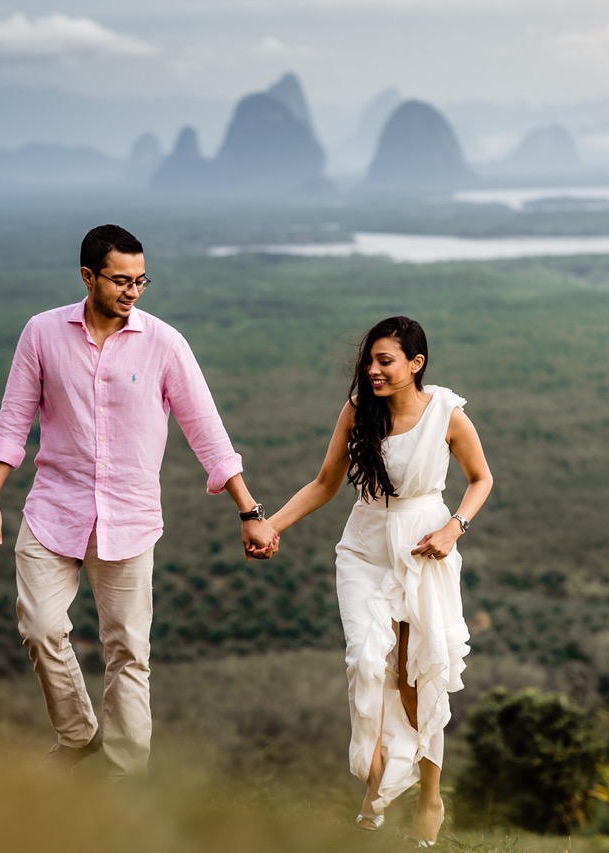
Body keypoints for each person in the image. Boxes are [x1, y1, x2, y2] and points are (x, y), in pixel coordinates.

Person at [0, 224, 278, 780]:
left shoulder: (165, 343)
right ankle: (77, 735)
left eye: (141, 281)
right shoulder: (42, 333)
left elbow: (207, 432)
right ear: (87, 276)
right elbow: (13, 421)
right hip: (53, 511)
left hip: (130, 518)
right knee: (39, 627)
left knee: (129, 651)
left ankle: (125, 776)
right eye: (120, 280)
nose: (132, 291)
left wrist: (249, 511)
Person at [268, 316, 492, 845]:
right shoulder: (357, 411)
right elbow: (324, 484)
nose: (372, 369)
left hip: (423, 549)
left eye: (384, 360)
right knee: (366, 663)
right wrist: (271, 526)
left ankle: (430, 795)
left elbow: (481, 478)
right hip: (364, 551)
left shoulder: (447, 414)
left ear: (416, 364)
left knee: (416, 679)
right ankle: (377, 786)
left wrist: (453, 528)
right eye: (369, 360)